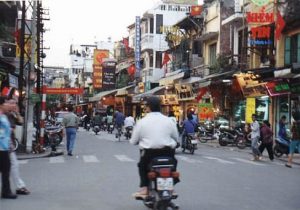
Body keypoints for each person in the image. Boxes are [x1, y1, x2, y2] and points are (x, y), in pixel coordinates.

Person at [130, 96, 179, 198]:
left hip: (149, 153)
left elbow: (133, 141)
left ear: (148, 107)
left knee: (142, 166)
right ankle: (171, 188)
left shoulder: (142, 122)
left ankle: (144, 189)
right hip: (168, 152)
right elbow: (176, 137)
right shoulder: (169, 121)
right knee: (172, 165)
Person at [5, 99, 30, 195]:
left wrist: (17, 113)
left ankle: (20, 186)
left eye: (15, 103)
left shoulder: (12, 115)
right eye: (12, 103)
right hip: (5, 143)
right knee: (13, 165)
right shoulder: (5, 115)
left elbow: (20, 122)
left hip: (8, 143)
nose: (14, 105)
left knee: (13, 165)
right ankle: (19, 186)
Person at [0, 96, 17, 199]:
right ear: (1, 105)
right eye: (6, 103)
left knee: (6, 170)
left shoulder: (4, 116)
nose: (7, 105)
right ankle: (6, 192)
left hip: (4, 147)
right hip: (1, 148)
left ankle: (6, 191)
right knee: (5, 170)